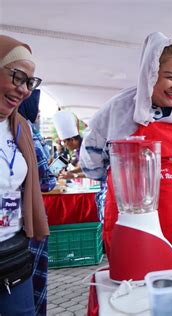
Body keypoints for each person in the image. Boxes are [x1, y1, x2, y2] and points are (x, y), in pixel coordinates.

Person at [80, 32, 172, 259]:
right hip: (133, 222)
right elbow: (91, 162)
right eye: (170, 77)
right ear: (150, 74)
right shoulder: (119, 110)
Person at [0, 34, 49, 315]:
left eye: (30, 82)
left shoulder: (20, 127)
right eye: (18, 77)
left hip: (12, 256)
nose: (25, 90)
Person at [18, 90, 56, 316]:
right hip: (26, 224)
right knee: (30, 293)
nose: (39, 113)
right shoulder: (27, 129)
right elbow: (47, 179)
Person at [52, 111, 85, 179]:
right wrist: (69, 172)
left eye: (64, 142)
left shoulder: (86, 147)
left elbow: (93, 171)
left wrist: (74, 175)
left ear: (72, 140)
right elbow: (83, 167)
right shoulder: (79, 149)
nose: (64, 145)